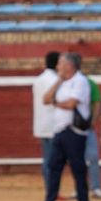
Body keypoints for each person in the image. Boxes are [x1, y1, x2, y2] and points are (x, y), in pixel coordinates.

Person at [39, 51, 92, 201]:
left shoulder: (80, 81)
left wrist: (55, 102)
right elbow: (45, 99)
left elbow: (70, 104)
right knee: (53, 167)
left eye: (60, 64)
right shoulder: (61, 81)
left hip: (74, 131)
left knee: (78, 168)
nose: (57, 67)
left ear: (69, 65)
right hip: (60, 130)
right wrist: (59, 81)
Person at [31, 51, 61, 183]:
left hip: (41, 124)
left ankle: (50, 188)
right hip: (53, 124)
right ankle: (51, 189)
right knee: (53, 160)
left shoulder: (38, 80)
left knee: (47, 158)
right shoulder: (55, 80)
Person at [84, 73, 101, 200]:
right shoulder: (67, 82)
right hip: (73, 128)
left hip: (87, 126)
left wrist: (93, 121)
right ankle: (80, 187)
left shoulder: (89, 83)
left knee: (93, 156)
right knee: (76, 159)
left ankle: (95, 187)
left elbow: (97, 103)